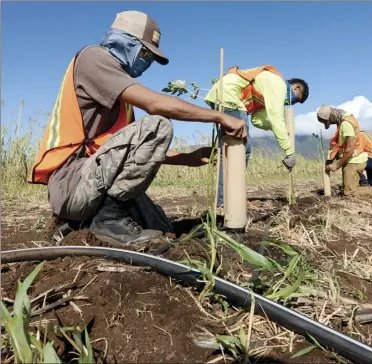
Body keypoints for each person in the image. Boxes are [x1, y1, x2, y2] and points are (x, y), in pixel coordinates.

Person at [28, 10, 247, 247]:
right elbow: (155, 106)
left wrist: (189, 158)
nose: (147, 64)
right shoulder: (94, 58)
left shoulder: (121, 101)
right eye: (144, 53)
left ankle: (96, 220)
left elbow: (131, 152)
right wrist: (219, 117)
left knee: (162, 227)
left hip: (91, 181)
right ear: (123, 41)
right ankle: (108, 218)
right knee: (159, 125)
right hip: (72, 184)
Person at [204, 66, 309, 207]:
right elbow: (276, 118)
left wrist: (277, 129)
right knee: (240, 150)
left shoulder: (269, 88)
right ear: (296, 88)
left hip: (221, 95)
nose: (291, 103)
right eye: (296, 100)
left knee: (229, 152)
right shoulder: (278, 84)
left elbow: (257, 120)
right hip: (229, 96)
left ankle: (226, 200)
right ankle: (228, 201)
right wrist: (289, 152)